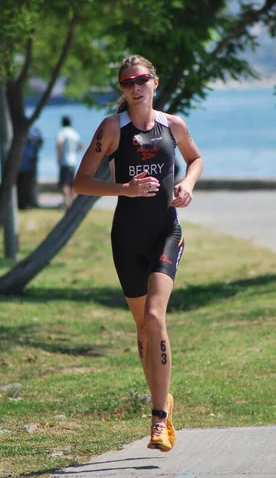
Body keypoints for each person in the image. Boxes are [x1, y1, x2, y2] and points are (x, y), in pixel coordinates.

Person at [73, 55, 203, 452]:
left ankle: (159, 419)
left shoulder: (173, 125)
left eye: (142, 79)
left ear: (155, 82)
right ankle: (164, 396)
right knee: (143, 331)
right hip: (126, 240)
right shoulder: (112, 129)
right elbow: (80, 182)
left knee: (153, 317)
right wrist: (123, 190)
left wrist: (187, 184)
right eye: (127, 82)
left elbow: (196, 160)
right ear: (122, 89)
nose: (135, 86)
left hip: (166, 232)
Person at [56, 116, 83, 209]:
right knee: (72, 183)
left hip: (65, 161)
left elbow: (59, 143)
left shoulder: (63, 132)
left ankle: (66, 202)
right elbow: (80, 146)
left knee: (64, 183)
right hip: (73, 161)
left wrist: (59, 156)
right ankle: (74, 202)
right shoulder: (74, 133)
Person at [17, 127, 44, 209]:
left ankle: (27, 203)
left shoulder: (29, 133)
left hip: (27, 164)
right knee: (25, 186)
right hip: (25, 164)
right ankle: (25, 203)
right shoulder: (33, 133)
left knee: (25, 186)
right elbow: (40, 142)